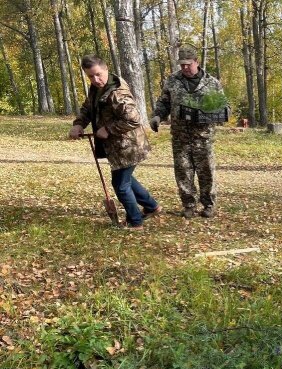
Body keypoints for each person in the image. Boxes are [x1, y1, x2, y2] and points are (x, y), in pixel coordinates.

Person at [69, 54, 161, 231]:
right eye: (90, 76)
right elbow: (88, 108)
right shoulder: (97, 88)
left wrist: (108, 129)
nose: (95, 79)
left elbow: (133, 119)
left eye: (98, 74)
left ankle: (135, 222)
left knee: (120, 184)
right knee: (126, 179)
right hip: (116, 146)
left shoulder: (117, 92)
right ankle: (151, 206)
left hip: (129, 146)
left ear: (106, 69)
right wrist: (79, 124)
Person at [150, 45, 224, 219]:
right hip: (180, 136)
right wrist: (157, 116)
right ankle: (189, 205)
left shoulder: (211, 82)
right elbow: (164, 103)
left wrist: (207, 112)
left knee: (206, 172)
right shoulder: (172, 81)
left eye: (188, 64)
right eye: (181, 64)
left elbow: (223, 107)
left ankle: (208, 205)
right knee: (183, 172)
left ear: (196, 62)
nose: (184, 68)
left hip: (203, 137)